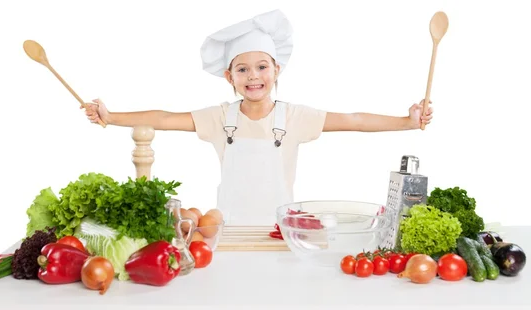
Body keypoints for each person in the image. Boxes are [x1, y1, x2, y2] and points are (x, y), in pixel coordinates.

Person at [83, 10, 433, 225]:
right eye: (243, 69)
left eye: (262, 66)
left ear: (276, 69)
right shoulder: (220, 117)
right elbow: (164, 117)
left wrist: (406, 120)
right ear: (229, 77)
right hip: (229, 230)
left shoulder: (294, 117)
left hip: (281, 231)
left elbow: (354, 120)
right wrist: (111, 116)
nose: (254, 76)